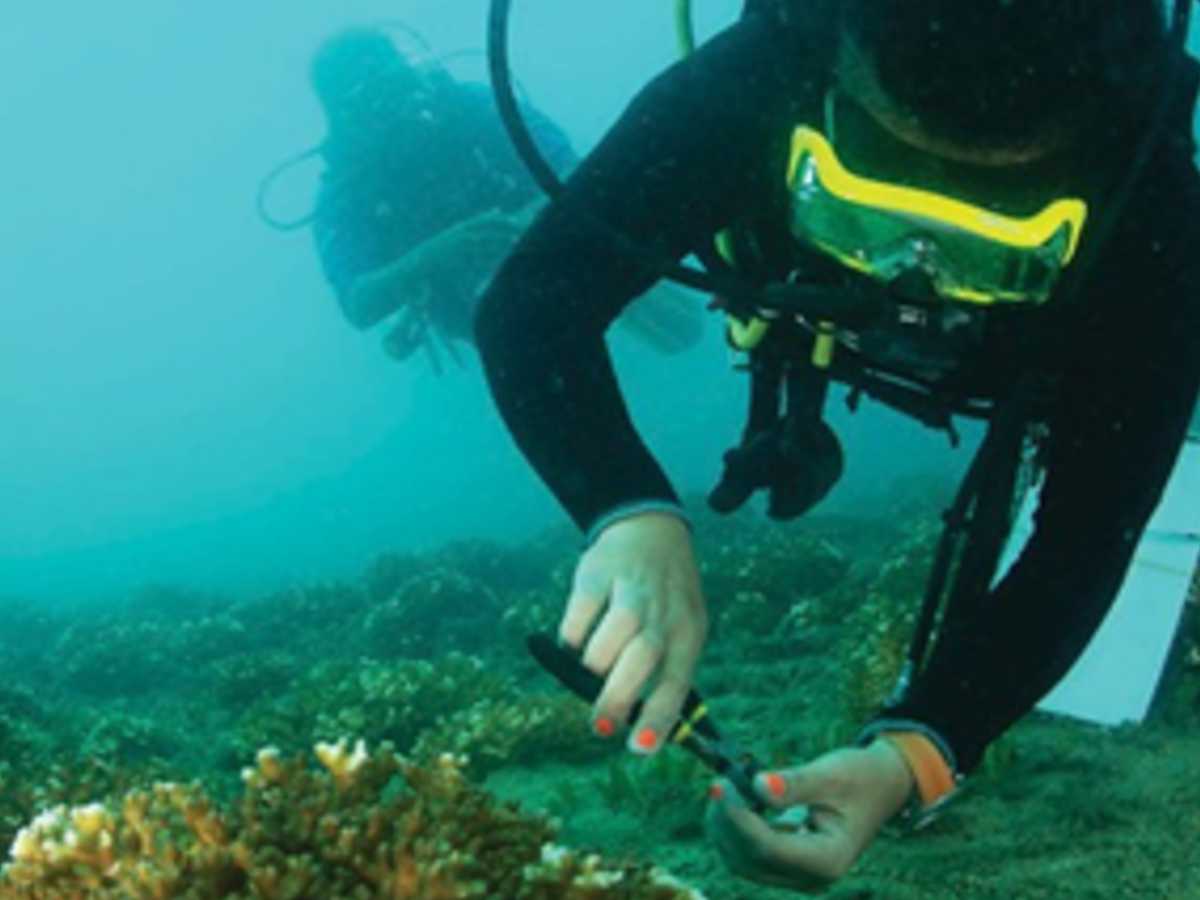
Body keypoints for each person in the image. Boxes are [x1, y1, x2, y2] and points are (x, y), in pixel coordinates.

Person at [475, 0, 1200, 890]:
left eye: (999, 236)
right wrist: (629, 513)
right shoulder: (763, 75)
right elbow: (535, 302)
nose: (915, 271)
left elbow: (1085, 537)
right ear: (826, 69)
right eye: (871, 197)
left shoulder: (1153, 207)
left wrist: (913, 755)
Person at [303, 26, 703, 373]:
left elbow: (575, 170)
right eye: (377, 97)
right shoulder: (345, 189)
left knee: (683, 331)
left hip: (560, 245)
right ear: (345, 115)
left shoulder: (470, 107)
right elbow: (358, 304)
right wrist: (438, 253)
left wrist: (528, 226)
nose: (401, 105)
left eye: (397, 80)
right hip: (478, 304)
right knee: (540, 360)